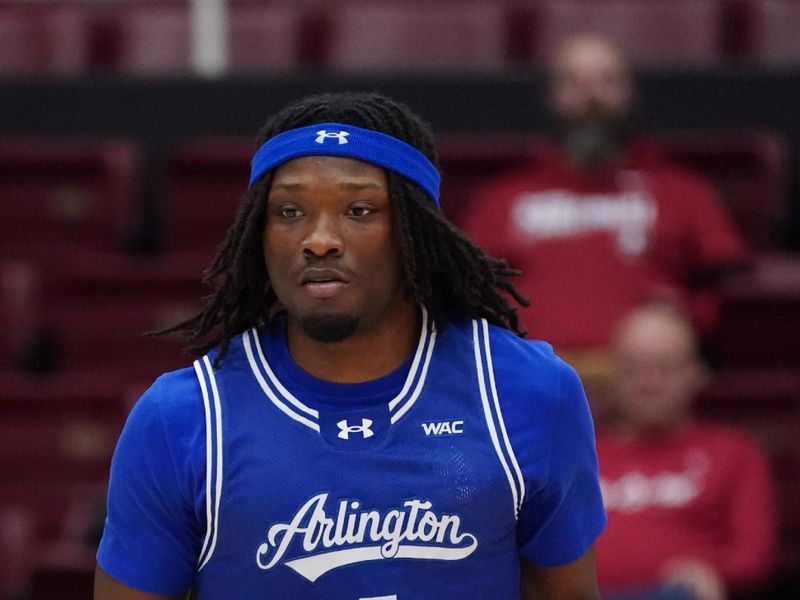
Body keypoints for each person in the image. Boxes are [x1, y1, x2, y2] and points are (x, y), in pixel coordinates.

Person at [93, 91, 606, 599]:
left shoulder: (528, 391)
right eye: (289, 211)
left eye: (359, 210)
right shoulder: (182, 417)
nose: (319, 239)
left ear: (415, 230)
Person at [463, 33, 746, 374]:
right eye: (574, 82)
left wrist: (683, 321)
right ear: (552, 95)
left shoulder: (684, 192)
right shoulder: (500, 200)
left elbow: (729, 290)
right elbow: (464, 295)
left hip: (647, 385)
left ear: (630, 92)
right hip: (530, 382)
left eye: (606, 81)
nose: (591, 96)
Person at [595, 301, 776, 600]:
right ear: (613, 375)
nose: (648, 383)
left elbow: (754, 555)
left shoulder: (733, 453)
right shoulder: (578, 456)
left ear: (695, 373)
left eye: (664, 369)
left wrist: (712, 570)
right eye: (633, 368)